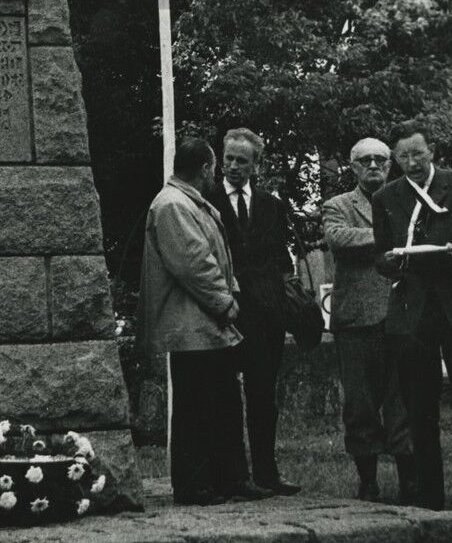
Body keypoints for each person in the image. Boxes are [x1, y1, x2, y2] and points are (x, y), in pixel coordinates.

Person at [372, 120, 452, 516]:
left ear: (432, 151)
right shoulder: (386, 198)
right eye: (403, 156)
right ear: (395, 158)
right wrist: (392, 262)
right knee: (419, 411)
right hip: (414, 316)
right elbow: (381, 255)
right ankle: (431, 502)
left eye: (418, 153)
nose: (411, 162)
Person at [139, 136, 270, 506]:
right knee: (197, 408)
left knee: (223, 402)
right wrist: (227, 303)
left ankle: (229, 479)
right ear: (206, 168)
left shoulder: (187, 202)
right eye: (216, 166)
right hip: (192, 326)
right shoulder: (173, 205)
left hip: (206, 326)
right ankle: (195, 485)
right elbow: (194, 263)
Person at [322, 137, 416, 502]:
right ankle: (368, 481)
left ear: (391, 164)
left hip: (401, 316)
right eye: (365, 161)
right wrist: (393, 238)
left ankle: (409, 480)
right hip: (356, 320)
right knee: (360, 405)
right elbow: (339, 239)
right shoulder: (337, 205)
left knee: (402, 400)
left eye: (380, 160)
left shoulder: (408, 201)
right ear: (353, 166)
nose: (373, 166)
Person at [209, 128, 302, 495]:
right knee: (224, 396)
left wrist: (281, 295)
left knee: (263, 396)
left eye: (242, 161)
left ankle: (267, 472)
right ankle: (233, 475)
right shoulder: (208, 200)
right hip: (225, 314)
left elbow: (282, 257)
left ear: (255, 165)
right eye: (228, 159)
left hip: (266, 317)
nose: (233, 167)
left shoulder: (270, 204)